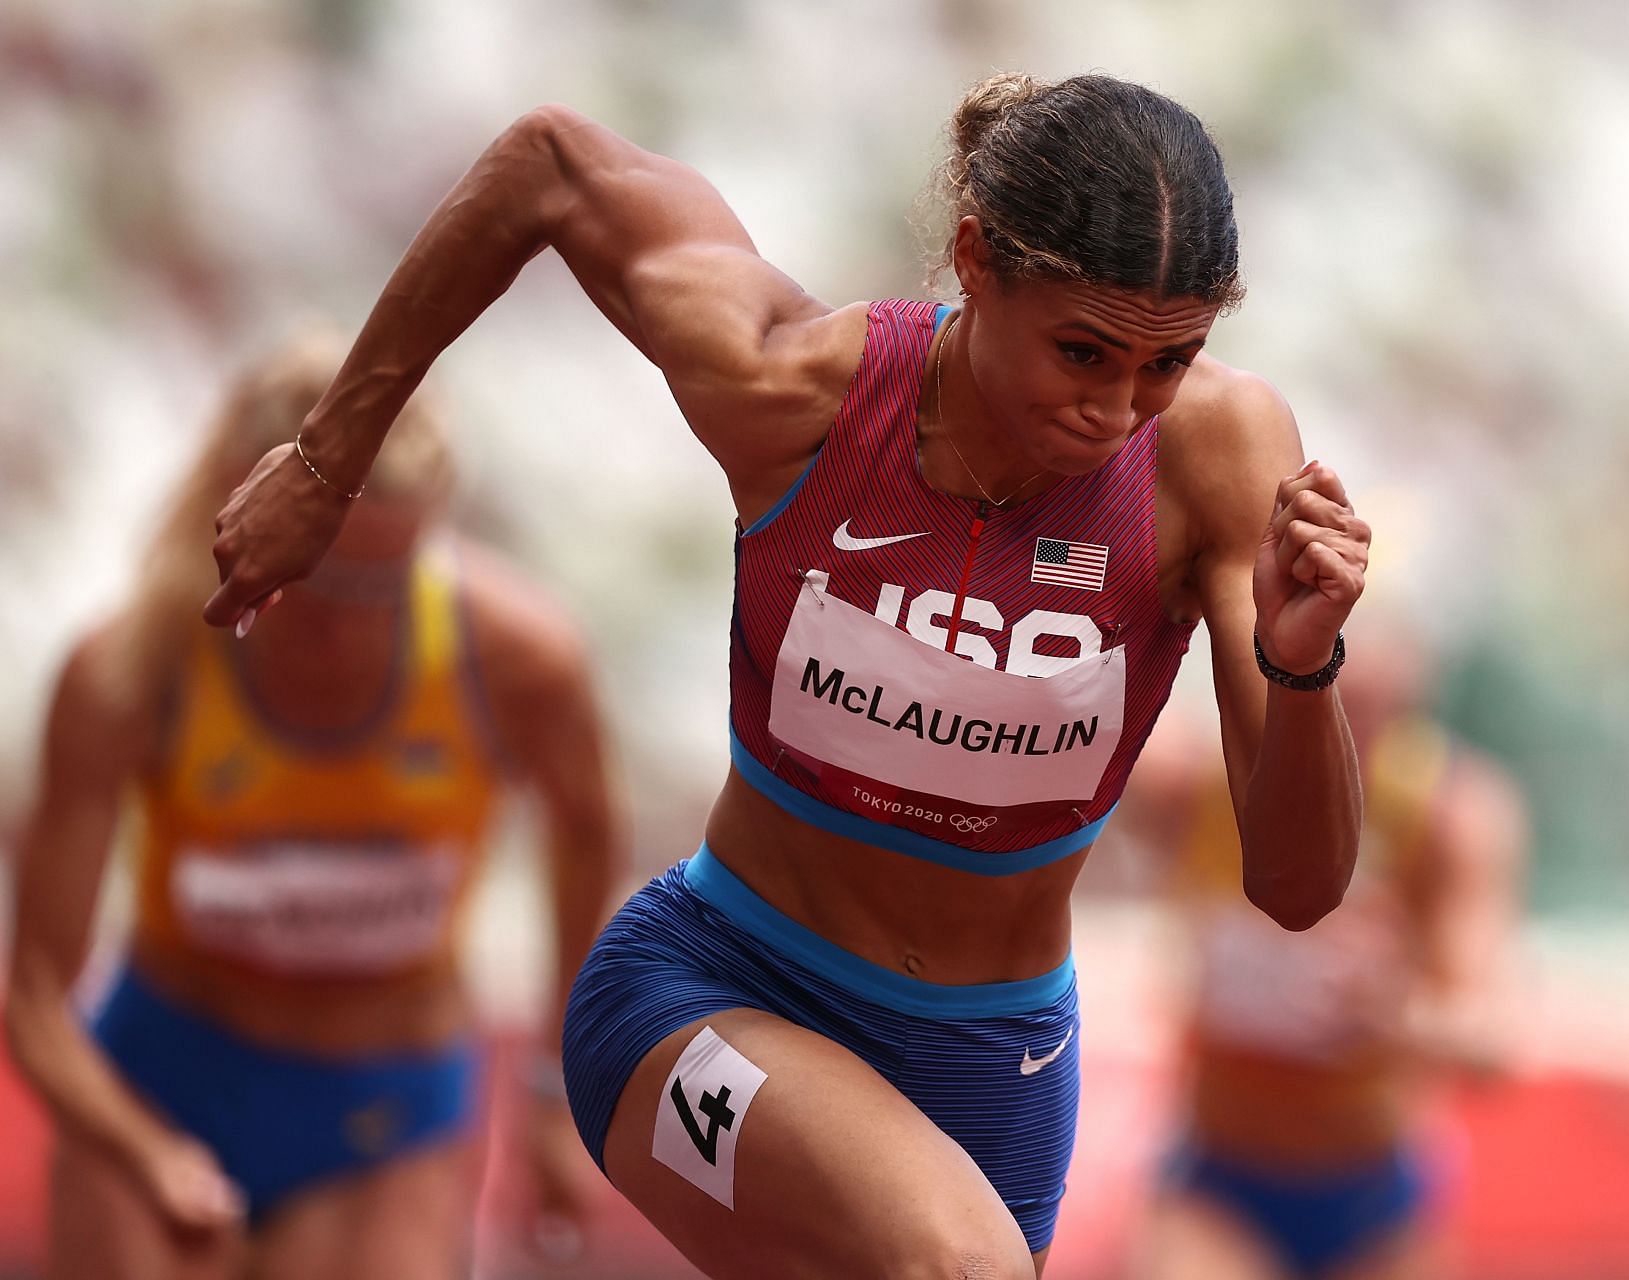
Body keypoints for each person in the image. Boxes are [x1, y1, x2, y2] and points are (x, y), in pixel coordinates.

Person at [200, 73, 1372, 1279]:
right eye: (1082, 351)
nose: (1115, 409)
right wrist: (327, 457)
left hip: (996, 1068)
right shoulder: (798, 392)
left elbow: (1296, 887)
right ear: (975, 259)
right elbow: (548, 163)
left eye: (1168, 362)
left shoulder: (1217, 459)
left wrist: (1301, 666)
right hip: (716, 983)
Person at [5, 333, 625, 1279]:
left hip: (383, 1113)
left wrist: (554, 1096)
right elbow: (39, 998)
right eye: (327, 580)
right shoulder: (130, 672)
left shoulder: (520, 661)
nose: (353, 621)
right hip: (158, 1087)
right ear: (243, 516)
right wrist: (144, 1152)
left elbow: (587, 840)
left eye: (391, 581)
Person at [1132, 622, 1530, 1280]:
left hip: (1372, 1192)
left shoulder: (1447, 820)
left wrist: (1394, 1016)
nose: (1346, 746)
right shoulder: (1199, 786)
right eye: (1322, 707)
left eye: (1376, 720)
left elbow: (1492, 1043)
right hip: (1221, 1177)